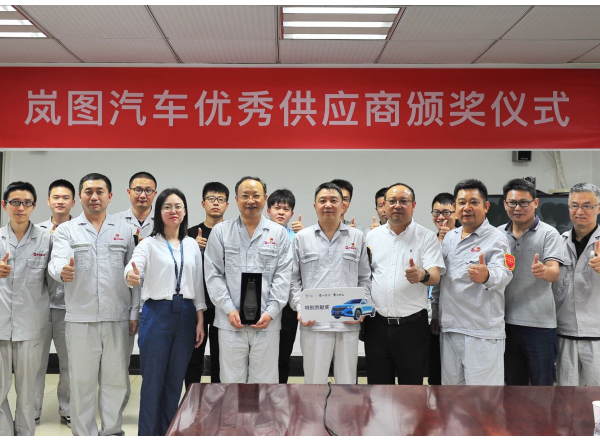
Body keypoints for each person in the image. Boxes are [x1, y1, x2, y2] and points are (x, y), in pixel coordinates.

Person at [49, 173, 139, 436]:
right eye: (88, 192)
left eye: (100, 191)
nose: (94, 197)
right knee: (81, 382)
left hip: (117, 317)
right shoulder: (67, 230)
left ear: (110, 196)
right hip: (80, 318)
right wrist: (62, 271)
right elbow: (57, 261)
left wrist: (134, 312)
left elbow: (134, 273)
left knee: (116, 381)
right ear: (80, 197)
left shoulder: (125, 230)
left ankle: (112, 431)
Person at [125, 188, 206, 436]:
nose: (173, 211)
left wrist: (200, 319)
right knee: (152, 382)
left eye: (178, 206)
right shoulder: (149, 244)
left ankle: (168, 431)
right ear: (159, 212)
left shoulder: (191, 244)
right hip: (157, 314)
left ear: (185, 211)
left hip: (187, 314)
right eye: (167, 207)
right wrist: (130, 275)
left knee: (174, 382)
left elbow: (197, 285)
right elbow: (133, 266)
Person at [204, 176, 292, 384]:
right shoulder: (221, 232)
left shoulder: (279, 234)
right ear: (236, 199)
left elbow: (283, 276)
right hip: (230, 322)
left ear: (265, 199)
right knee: (231, 383)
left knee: (264, 384)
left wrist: (271, 312)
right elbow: (213, 274)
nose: (250, 200)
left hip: (267, 323)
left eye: (256, 195)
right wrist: (229, 309)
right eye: (245, 196)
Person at [431, 179, 513, 386]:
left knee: (483, 399)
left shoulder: (497, 238)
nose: (467, 207)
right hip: (450, 329)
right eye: (462, 202)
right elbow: (442, 280)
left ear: (486, 206)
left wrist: (487, 276)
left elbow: (505, 273)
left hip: (481, 332)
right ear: (455, 207)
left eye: (474, 202)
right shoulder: (449, 238)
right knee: (452, 396)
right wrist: (435, 314)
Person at [291, 182, 371, 385]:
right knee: (314, 384)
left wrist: (362, 308)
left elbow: (365, 278)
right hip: (314, 323)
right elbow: (293, 279)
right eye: (322, 201)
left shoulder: (357, 237)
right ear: (315, 206)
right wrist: (300, 307)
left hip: (347, 322)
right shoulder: (302, 238)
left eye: (333, 200)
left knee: (347, 384)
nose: (328, 205)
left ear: (343, 205)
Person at [365, 183, 444, 385]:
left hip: (412, 329)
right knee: (378, 388)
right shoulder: (372, 237)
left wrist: (422, 274)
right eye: (392, 201)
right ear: (384, 205)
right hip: (377, 326)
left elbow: (435, 275)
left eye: (403, 201)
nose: (397, 205)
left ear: (413, 205)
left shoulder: (426, 237)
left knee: (411, 390)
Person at [500, 179, 563, 386]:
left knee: (542, 388)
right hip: (504, 323)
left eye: (524, 202)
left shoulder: (549, 233)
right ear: (505, 204)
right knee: (512, 388)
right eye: (512, 203)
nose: (517, 208)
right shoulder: (497, 234)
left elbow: (554, 272)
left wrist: (545, 271)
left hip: (539, 325)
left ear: (535, 203)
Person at [0, 182, 52, 436]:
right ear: (4, 205)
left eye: (26, 203)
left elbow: (53, 283)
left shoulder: (47, 240)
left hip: (31, 327)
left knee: (27, 391)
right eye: (15, 202)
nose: (20, 207)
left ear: (34, 206)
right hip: (0, 327)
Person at [33, 179, 76, 428]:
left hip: (68, 307)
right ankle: (32, 411)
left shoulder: (79, 230)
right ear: (48, 201)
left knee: (69, 362)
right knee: (35, 363)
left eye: (65, 197)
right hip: (38, 307)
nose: (60, 201)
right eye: (56, 197)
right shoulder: (35, 230)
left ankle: (67, 408)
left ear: (73, 202)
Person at [553, 183, 600, 386]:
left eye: (587, 206)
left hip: (597, 337)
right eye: (574, 205)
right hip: (564, 334)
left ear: (599, 208)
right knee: (566, 398)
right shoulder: (558, 242)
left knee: (596, 399)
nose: (580, 211)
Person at [185, 182, 230, 387]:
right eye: (211, 199)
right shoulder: (190, 234)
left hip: (224, 304)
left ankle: (220, 400)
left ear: (227, 205)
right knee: (194, 357)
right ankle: (191, 399)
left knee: (221, 358)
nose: (216, 203)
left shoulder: (232, 233)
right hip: (198, 304)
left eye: (220, 199)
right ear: (203, 203)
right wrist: (192, 248)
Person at [266, 188, 305, 384]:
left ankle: (280, 393)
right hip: (265, 302)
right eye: (277, 208)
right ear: (268, 211)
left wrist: (303, 235)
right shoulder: (260, 234)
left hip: (288, 304)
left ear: (292, 213)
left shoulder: (298, 238)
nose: (281, 212)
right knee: (263, 354)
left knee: (284, 354)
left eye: (286, 209)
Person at [427, 192, 460, 385]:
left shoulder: (465, 240)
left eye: (446, 212)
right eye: (436, 212)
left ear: (456, 213)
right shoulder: (429, 241)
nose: (441, 217)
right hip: (433, 315)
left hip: (458, 316)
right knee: (435, 371)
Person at [114, 171, 157, 239]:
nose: (143, 195)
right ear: (129, 192)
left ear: (154, 194)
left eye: (148, 191)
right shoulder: (114, 221)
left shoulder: (164, 221)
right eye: (138, 190)